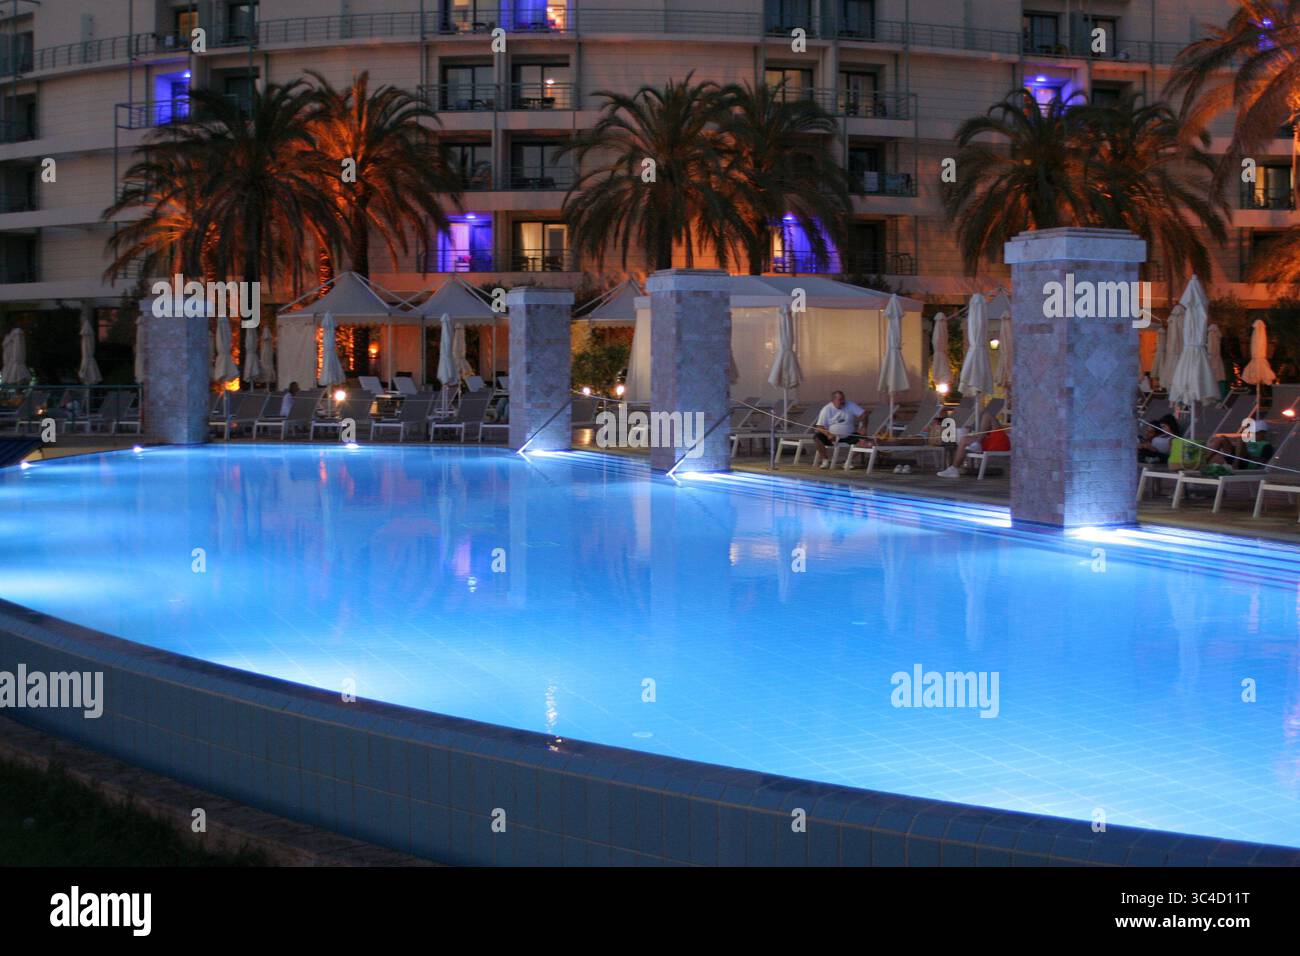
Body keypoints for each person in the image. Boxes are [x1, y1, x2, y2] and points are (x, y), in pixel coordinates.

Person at [938, 412, 1010, 477]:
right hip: (987, 444)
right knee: (964, 439)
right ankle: (954, 469)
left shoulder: (997, 432)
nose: (984, 423)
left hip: (998, 443)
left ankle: (977, 442)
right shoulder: (988, 434)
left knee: (987, 415)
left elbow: (987, 417)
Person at [811, 390, 867, 469]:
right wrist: (828, 434)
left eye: (843, 399)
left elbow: (864, 414)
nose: (843, 401)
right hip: (833, 437)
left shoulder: (850, 404)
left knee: (864, 439)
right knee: (816, 437)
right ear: (833, 400)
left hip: (849, 436)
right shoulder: (827, 409)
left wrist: (863, 427)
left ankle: (848, 462)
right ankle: (825, 460)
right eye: (840, 400)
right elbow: (819, 427)